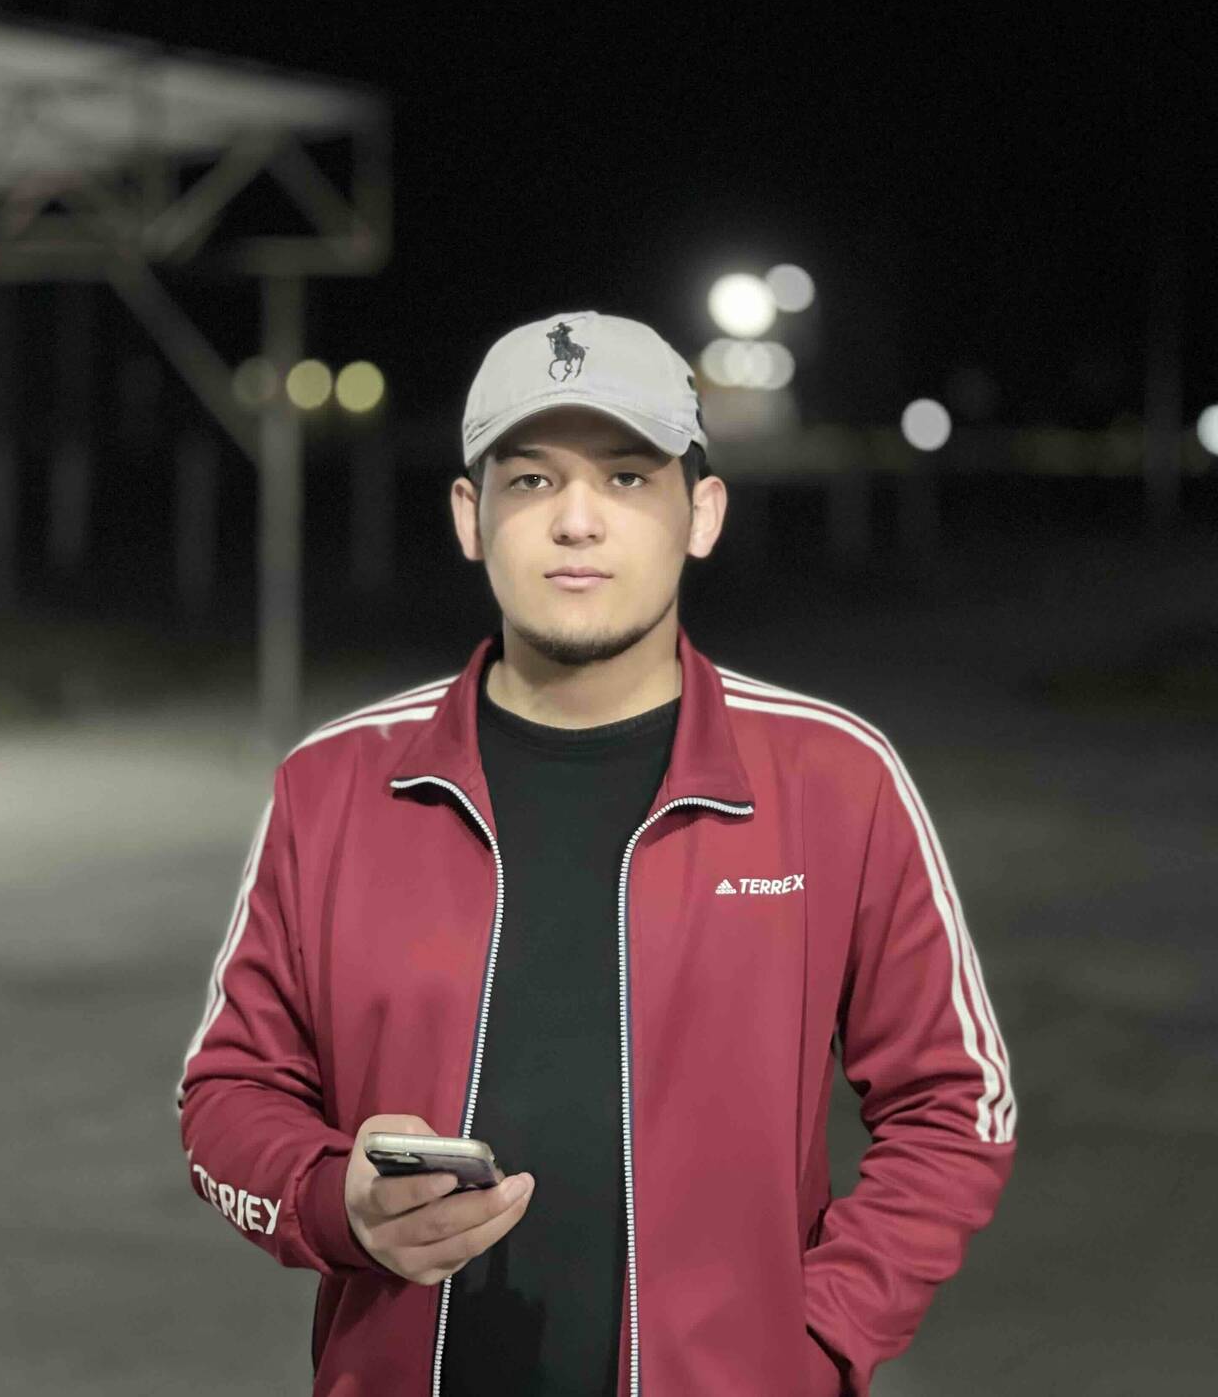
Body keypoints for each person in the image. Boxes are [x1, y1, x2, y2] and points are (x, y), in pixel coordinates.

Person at [176, 308, 1017, 1397]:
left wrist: (811, 1338)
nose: (577, 521)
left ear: (700, 514)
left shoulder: (833, 778)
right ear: (470, 516)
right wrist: (333, 1197)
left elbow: (955, 1104)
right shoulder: (334, 784)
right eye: (531, 480)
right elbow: (228, 1092)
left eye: (626, 478)